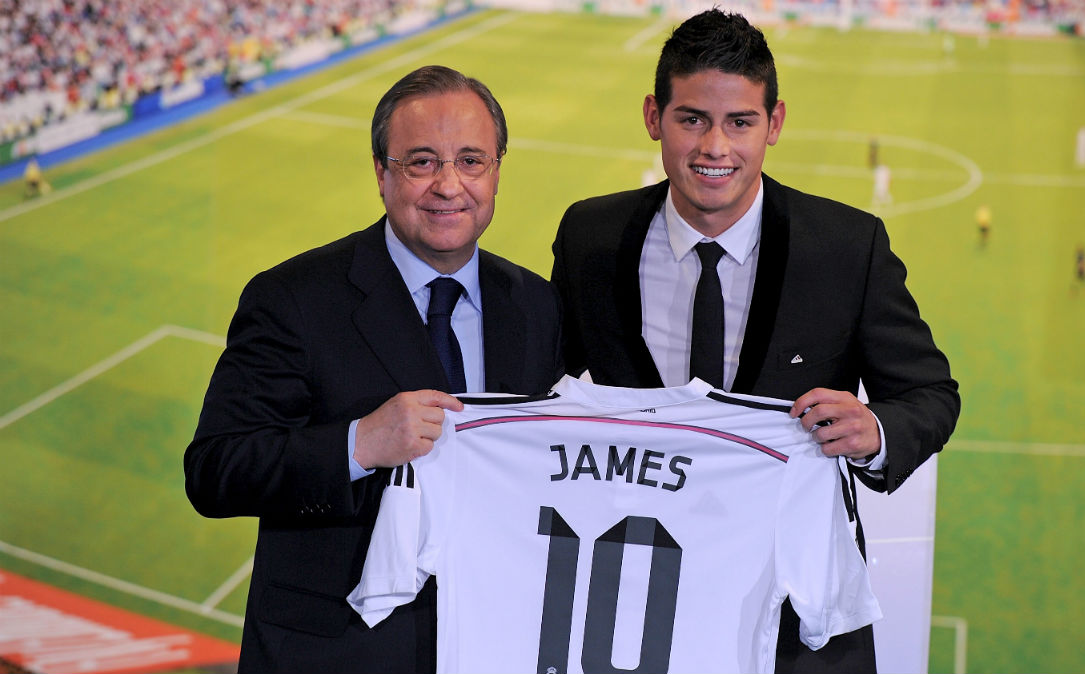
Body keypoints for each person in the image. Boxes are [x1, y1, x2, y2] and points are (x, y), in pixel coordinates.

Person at [551, 9, 959, 674]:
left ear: (774, 124)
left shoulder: (847, 249)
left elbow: (929, 395)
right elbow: (536, 385)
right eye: (692, 119)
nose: (716, 147)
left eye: (740, 122)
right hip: (637, 606)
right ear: (654, 117)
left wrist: (876, 431)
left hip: (799, 624)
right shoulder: (591, 237)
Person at [184, 65, 563, 674]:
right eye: (421, 162)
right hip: (334, 654)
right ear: (381, 174)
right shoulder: (293, 297)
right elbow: (214, 470)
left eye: (471, 161)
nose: (448, 185)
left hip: (492, 644)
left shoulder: (536, 304)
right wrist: (359, 444)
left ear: (496, 172)